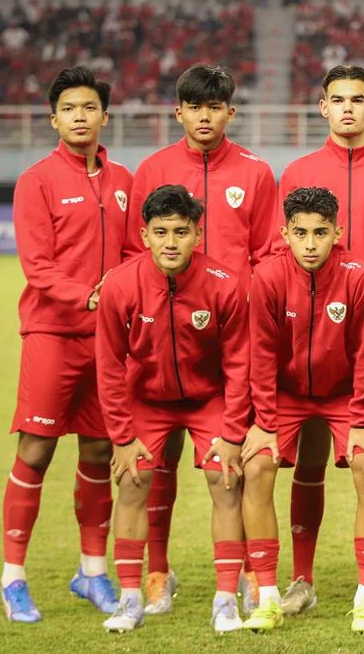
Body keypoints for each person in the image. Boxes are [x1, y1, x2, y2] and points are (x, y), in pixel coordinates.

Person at [122, 64, 279, 615]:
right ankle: (157, 575)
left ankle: (234, 576)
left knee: (229, 468)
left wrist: (242, 311)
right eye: (195, 106)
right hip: (162, 345)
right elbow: (131, 254)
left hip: (232, 342)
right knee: (151, 468)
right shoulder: (153, 169)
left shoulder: (258, 173)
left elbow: (267, 256)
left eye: (215, 107)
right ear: (179, 111)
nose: (205, 116)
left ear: (230, 112)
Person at [275, 64, 364, 614]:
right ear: (322, 107)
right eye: (337, 99)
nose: (347, 108)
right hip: (308, 339)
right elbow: (278, 248)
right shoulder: (296, 172)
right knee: (310, 458)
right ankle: (302, 579)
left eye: (356, 99)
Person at [1, 66, 132, 623]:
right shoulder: (36, 180)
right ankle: (13, 579)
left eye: (89, 108)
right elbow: (37, 266)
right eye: (69, 109)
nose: (80, 116)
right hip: (54, 334)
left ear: (105, 116)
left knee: (100, 451)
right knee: (36, 449)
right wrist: (88, 296)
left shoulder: (125, 180)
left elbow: (135, 253)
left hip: (110, 340)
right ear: (54, 119)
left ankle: (92, 572)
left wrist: (122, 297)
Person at [96, 185, 250, 634]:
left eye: (180, 232)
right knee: (132, 479)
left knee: (225, 481)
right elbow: (108, 368)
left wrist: (234, 433)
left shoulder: (224, 284)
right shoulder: (121, 285)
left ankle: (225, 599)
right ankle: (129, 599)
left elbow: (240, 365)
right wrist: (122, 439)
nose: (170, 242)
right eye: (160, 232)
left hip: (209, 399)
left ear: (197, 235)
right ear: (144, 235)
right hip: (147, 400)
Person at [244, 187, 364, 633]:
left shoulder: (359, 274)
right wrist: (265, 424)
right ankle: (269, 596)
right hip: (286, 395)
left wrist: (363, 419)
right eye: (301, 233)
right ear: (284, 233)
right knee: (257, 468)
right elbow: (262, 356)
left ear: (337, 233)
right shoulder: (268, 277)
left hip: (346, 394)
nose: (310, 243)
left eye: (321, 233)